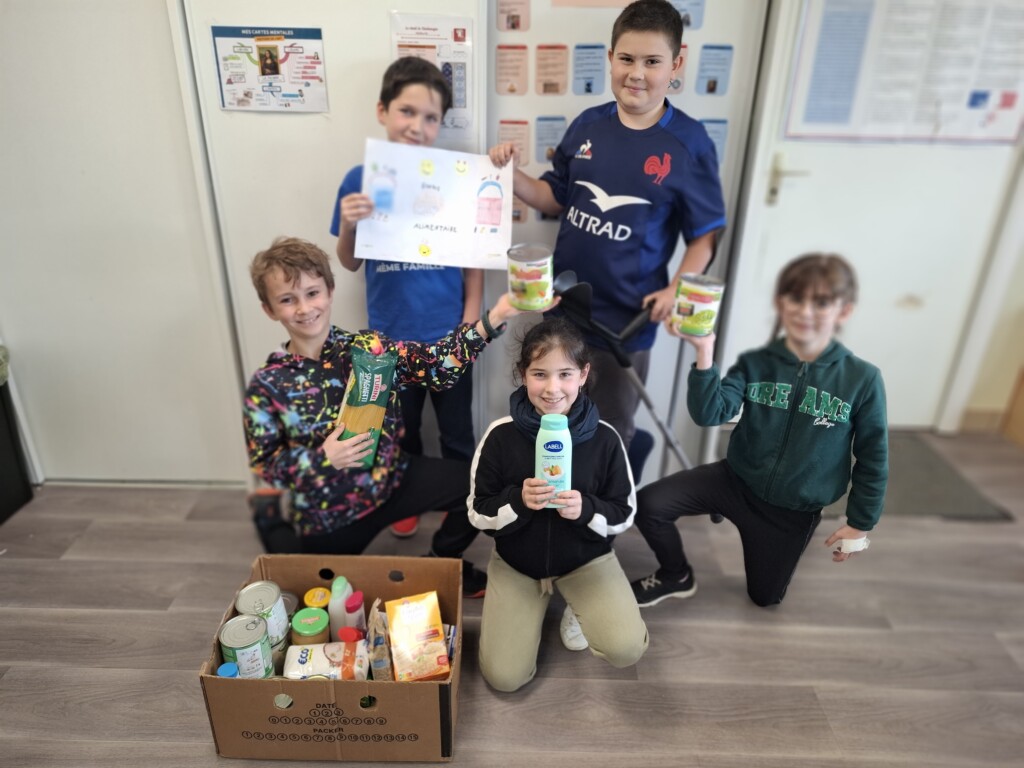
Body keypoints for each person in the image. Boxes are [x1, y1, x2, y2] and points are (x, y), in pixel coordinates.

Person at [488, 0, 726, 454]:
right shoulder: (587, 125)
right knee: (554, 420)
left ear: (676, 64)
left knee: (610, 432)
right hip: (563, 311)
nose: (637, 73)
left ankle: (606, 498)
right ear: (611, 57)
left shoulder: (690, 143)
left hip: (627, 324)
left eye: (652, 62)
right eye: (627, 59)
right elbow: (553, 196)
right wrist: (511, 175)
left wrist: (676, 289)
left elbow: (704, 237)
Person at [243, 237, 522, 597]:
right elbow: (266, 464)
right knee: (322, 599)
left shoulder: (369, 348)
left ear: (329, 291)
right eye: (287, 300)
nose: (304, 308)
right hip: (330, 513)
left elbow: (438, 367)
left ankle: (441, 560)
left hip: (393, 480)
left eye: (312, 293)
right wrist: (323, 458)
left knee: (483, 484)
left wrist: (496, 316)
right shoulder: (267, 384)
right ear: (269, 309)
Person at [630, 253, 889, 608]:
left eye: (821, 302)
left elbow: (874, 458)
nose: (805, 311)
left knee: (764, 598)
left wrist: (860, 524)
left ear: (843, 311)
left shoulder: (863, 379)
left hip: (790, 511)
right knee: (648, 504)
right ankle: (676, 575)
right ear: (781, 303)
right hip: (734, 481)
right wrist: (704, 350)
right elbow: (709, 414)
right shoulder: (756, 363)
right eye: (796, 299)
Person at [331, 56, 483, 538]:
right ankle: (407, 498)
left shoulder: (454, 179)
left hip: (449, 337)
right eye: (406, 111)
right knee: (401, 430)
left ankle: (463, 505)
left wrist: (470, 323)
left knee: (457, 431)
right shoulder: (358, 180)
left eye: (430, 117)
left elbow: (473, 257)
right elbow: (349, 263)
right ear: (383, 111)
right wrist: (349, 224)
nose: (418, 126)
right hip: (389, 341)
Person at [468, 318, 648, 692]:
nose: (553, 388)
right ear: (523, 375)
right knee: (504, 678)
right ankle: (531, 607)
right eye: (540, 374)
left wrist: (587, 509)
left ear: (583, 375)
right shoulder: (500, 436)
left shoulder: (605, 438)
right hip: (517, 564)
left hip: (586, 560)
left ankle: (578, 607)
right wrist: (517, 500)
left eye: (565, 374)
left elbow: (624, 513)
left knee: (626, 648)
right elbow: (477, 511)